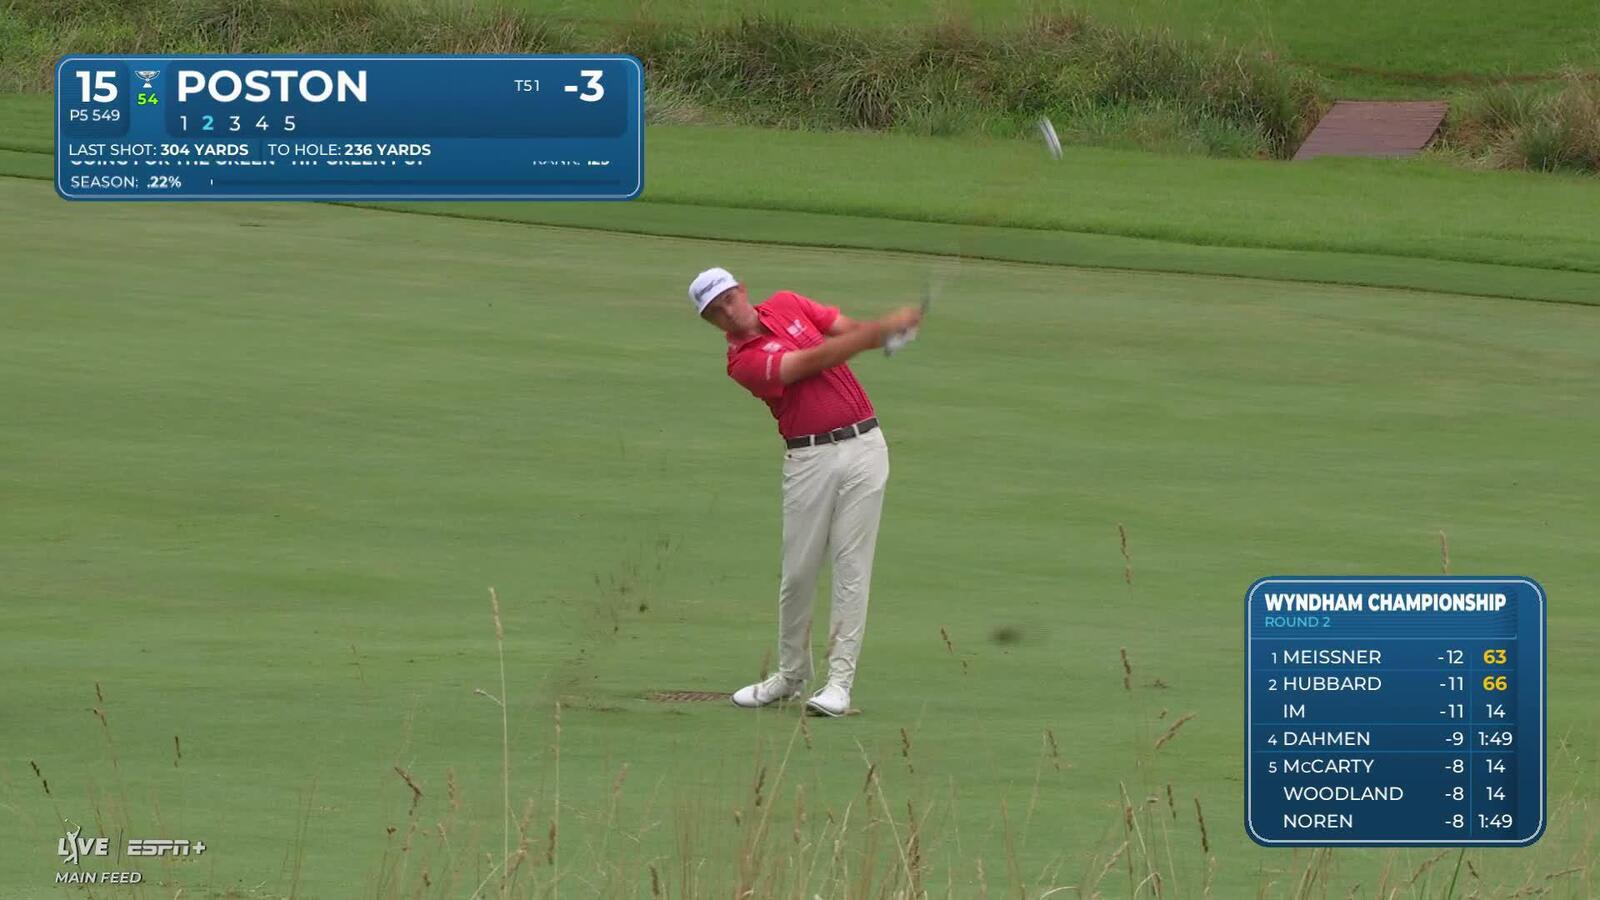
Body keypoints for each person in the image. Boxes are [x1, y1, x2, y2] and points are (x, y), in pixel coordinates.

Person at [688, 266, 922, 717]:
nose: (727, 313)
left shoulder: (788, 304)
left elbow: (846, 330)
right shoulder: (743, 363)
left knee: (852, 566)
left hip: (866, 446)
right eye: (715, 312)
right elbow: (811, 362)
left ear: (742, 290)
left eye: (728, 299)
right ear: (711, 322)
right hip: (808, 459)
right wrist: (878, 333)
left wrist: (893, 333)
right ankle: (790, 677)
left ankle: (839, 683)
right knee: (798, 574)